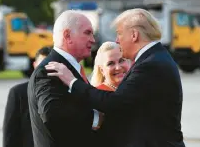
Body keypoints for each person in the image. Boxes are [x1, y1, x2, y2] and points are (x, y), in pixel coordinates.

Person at [45, 8, 185, 147]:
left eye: (119, 34)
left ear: (134, 35)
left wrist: (72, 81)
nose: (117, 40)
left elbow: (115, 102)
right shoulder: (156, 57)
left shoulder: (149, 64)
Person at [27, 10, 101, 147]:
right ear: (67, 36)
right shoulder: (49, 69)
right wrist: (95, 118)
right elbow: (52, 114)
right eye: (87, 33)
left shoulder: (67, 67)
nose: (93, 39)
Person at [3, 47, 51, 147]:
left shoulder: (66, 91)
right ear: (35, 65)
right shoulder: (18, 93)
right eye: (42, 64)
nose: (46, 68)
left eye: (49, 64)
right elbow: (10, 133)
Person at [90, 41, 130, 147]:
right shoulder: (96, 96)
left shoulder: (137, 90)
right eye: (110, 63)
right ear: (102, 70)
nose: (118, 67)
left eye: (122, 60)